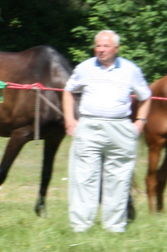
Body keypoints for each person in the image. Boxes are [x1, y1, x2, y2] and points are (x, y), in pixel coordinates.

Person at [63, 30, 152, 233]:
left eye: (105, 46)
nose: (101, 50)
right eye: (98, 46)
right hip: (89, 126)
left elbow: (145, 96)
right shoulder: (84, 68)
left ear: (116, 49)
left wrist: (140, 122)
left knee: (119, 177)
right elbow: (68, 91)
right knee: (84, 176)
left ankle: (114, 226)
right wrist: (70, 119)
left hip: (120, 127)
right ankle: (80, 225)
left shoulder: (131, 70)